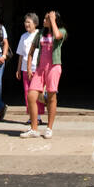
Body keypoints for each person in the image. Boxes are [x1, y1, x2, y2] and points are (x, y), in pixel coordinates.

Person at [21, 10, 66, 139]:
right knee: (31, 96)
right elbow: (31, 51)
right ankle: (34, 128)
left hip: (53, 67)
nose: (44, 21)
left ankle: (49, 128)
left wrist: (52, 20)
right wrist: (29, 68)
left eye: (46, 19)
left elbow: (57, 35)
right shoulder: (40, 33)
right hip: (40, 68)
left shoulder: (62, 31)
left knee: (51, 97)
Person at [15, 13, 45, 122]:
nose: (26, 24)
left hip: (36, 69)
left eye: (29, 22)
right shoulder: (23, 36)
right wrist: (18, 69)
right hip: (24, 68)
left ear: (35, 23)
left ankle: (38, 117)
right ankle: (32, 116)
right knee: (27, 93)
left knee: (36, 93)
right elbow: (21, 54)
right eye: (25, 22)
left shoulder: (40, 35)